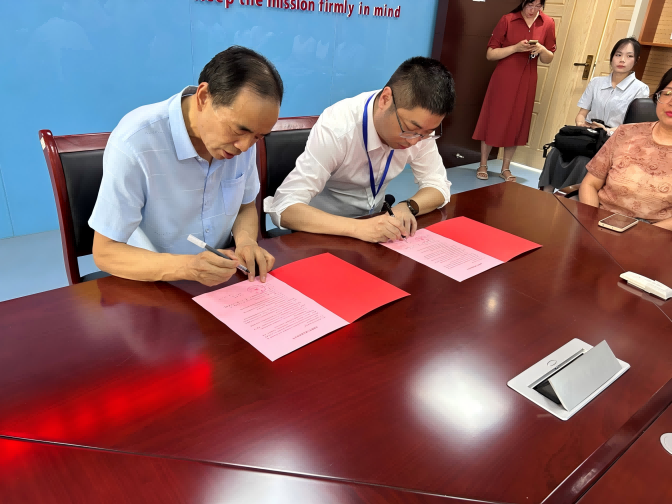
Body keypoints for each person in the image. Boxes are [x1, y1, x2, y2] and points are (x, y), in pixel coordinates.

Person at [89, 46, 282, 286]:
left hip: (221, 277)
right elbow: (105, 252)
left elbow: (245, 206)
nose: (244, 146)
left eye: (258, 137)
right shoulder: (135, 142)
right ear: (203, 97)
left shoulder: (244, 138)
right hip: (152, 281)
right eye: (238, 130)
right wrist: (187, 267)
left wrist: (246, 242)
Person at [263, 57, 455, 244]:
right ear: (385, 99)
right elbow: (284, 207)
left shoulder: (420, 129)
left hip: (376, 231)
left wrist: (408, 207)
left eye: (427, 133)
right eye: (409, 130)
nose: (414, 141)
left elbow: (438, 185)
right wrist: (359, 228)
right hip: (325, 233)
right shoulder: (338, 128)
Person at [473, 0, 556, 182]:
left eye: (538, 6)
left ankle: (506, 167)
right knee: (493, 118)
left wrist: (541, 48)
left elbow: (548, 58)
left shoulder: (548, 23)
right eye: (529, 5)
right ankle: (483, 164)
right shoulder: (508, 20)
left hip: (528, 79)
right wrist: (516, 48)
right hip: (504, 77)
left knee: (517, 121)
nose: (532, 10)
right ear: (522, 2)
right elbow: (490, 54)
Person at [579, 68, 672, 230]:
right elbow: (590, 184)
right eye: (668, 93)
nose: (671, 102)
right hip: (600, 223)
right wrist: (592, 223)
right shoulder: (625, 133)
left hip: (655, 234)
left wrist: (641, 236)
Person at [575, 38, 649, 135]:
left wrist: (606, 131)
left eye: (629, 56)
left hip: (616, 137)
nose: (622, 60)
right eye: (618, 55)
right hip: (588, 133)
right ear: (612, 57)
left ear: (636, 60)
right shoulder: (595, 82)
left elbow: (633, 127)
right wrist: (580, 124)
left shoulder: (641, 89)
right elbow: (581, 114)